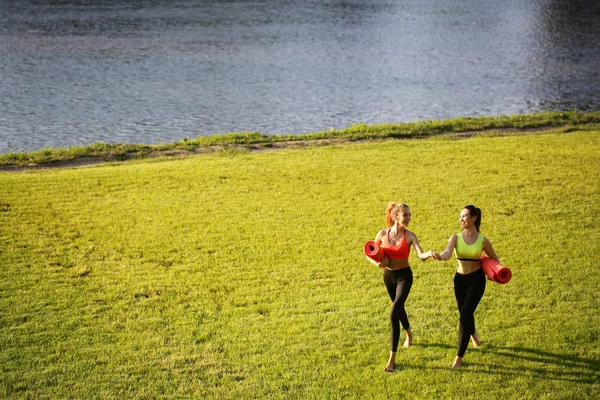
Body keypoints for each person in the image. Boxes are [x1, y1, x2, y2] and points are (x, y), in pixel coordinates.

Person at [366, 202, 434, 372]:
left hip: (405, 276)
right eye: (406, 215)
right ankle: (409, 333)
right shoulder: (382, 234)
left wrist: (430, 254)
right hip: (388, 277)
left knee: (394, 311)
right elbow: (369, 253)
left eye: (410, 215)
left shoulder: (410, 236)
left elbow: (420, 254)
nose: (409, 218)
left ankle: (392, 360)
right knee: (399, 307)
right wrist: (377, 264)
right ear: (396, 216)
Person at [431, 205, 500, 369]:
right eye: (460, 216)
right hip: (459, 281)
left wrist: (494, 272)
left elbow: (495, 259)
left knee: (464, 316)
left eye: (464, 216)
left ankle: (459, 359)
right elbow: (448, 252)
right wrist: (440, 256)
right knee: (465, 312)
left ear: (473, 218)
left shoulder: (483, 241)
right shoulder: (455, 238)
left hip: (476, 280)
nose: (460, 219)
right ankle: (474, 336)